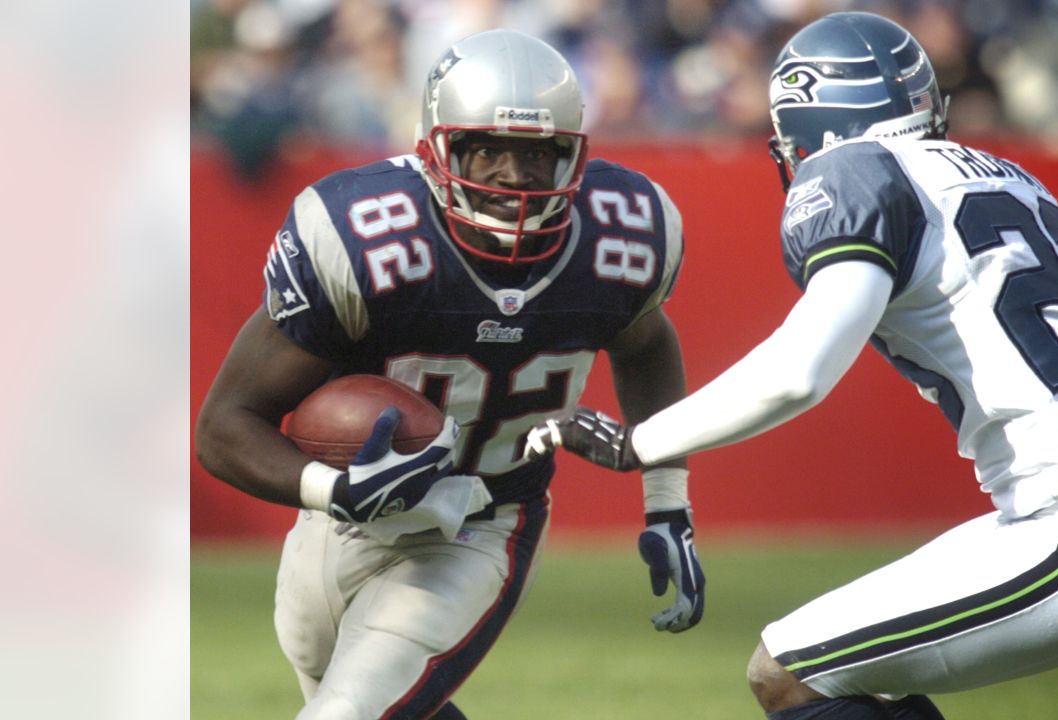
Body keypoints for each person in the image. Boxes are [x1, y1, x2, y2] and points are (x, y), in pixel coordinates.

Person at [526, 12, 1058, 720]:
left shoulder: (852, 171)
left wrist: (635, 443)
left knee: (787, 671)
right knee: (854, 672)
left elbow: (801, 371)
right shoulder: (1012, 176)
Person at [195, 28, 705, 719]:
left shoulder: (619, 238)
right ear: (436, 149)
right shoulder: (364, 238)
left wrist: (668, 501)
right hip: (345, 522)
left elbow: (646, 345)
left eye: (537, 154)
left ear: (574, 155)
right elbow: (226, 426)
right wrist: (337, 489)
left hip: (484, 521)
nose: (513, 175)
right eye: (485, 149)